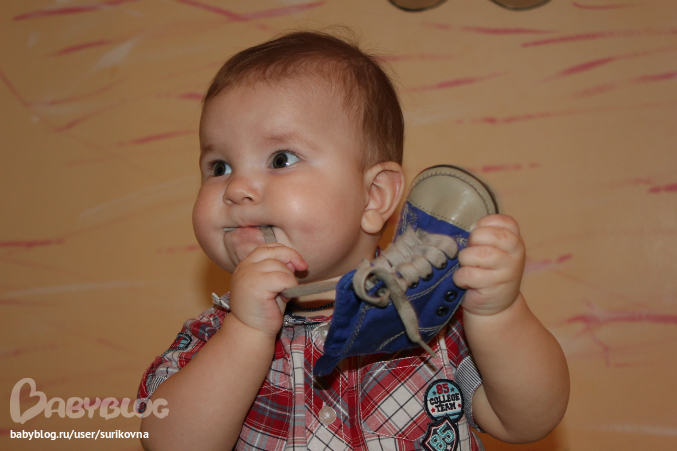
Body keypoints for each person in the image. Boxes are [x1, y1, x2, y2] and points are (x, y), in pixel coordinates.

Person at [137, 30, 569, 451]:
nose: (236, 189)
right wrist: (246, 333)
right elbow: (167, 442)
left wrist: (499, 314)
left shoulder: (434, 319)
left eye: (280, 159)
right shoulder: (211, 337)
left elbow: (529, 420)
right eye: (219, 167)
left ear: (373, 196)